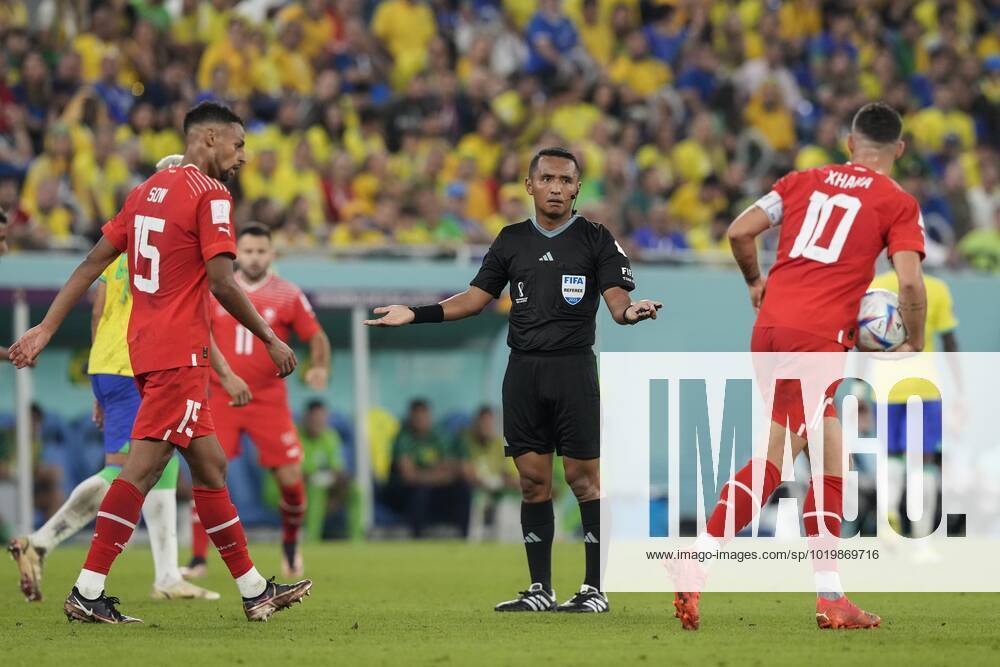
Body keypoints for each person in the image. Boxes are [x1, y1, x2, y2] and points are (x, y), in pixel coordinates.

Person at [7, 102, 310, 624]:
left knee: (210, 466)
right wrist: (269, 338)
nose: (242, 157)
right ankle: (87, 589)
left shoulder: (145, 192)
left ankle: (255, 589)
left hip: (147, 351)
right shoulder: (212, 195)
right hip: (180, 353)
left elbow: (92, 263)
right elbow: (221, 281)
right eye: (238, 145)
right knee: (141, 470)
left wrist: (46, 327)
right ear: (210, 139)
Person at [366, 147, 662, 613]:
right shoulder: (510, 240)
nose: (557, 188)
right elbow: (474, 299)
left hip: (573, 370)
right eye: (547, 179)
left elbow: (617, 299)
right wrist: (414, 313)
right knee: (530, 481)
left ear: (577, 188)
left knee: (584, 480)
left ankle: (593, 589)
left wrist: (631, 312)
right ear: (529, 185)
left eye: (566, 180)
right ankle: (540, 588)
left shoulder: (596, 238)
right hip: (522, 371)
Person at [672, 102, 927, 631]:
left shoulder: (800, 181)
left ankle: (831, 595)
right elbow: (908, 284)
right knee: (778, 456)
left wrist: (753, 283)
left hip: (770, 329)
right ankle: (695, 557)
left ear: (849, 143)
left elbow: (741, 232)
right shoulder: (897, 201)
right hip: (817, 339)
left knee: (831, 459)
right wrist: (914, 342)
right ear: (898, 150)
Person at [7, 153, 225, 604]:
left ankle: (164, 573)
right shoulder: (179, 244)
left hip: (110, 363)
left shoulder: (128, 239)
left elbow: (98, 308)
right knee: (135, 468)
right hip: (141, 362)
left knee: (151, 464)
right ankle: (47, 542)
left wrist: (94, 378)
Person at [185, 222, 330, 579]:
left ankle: (291, 545)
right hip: (222, 396)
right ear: (236, 253)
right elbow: (199, 333)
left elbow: (317, 337)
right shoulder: (217, 288)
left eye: (260, 251)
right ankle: (198, 559)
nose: (253, 258)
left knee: (292, 480)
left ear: (272, 254)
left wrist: (319, 368)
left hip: (269, 400)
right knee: (206, 473)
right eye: (247, 251)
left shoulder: (287, 294)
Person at [868, 270, 960, 542]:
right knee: (925, 460)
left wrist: (861, 387)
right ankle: (922, 537)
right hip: (925, 385)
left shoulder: (878, 286)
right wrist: (960, 390)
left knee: (892, 456)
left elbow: (865, 337)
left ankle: (889, 517)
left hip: (885, 385)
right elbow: (950, 341)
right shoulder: (937, 288)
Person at [384, 398, 470, 538]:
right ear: (411, 418)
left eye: (424, 416)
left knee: (462, 488)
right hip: (403, 492)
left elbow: (452, 467)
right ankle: (418, 538)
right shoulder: (403, 438)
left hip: (433, 487)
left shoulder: (439, 437)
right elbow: (409, 476)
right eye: (417, 417)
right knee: (420, 492)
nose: (421, 420)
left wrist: (432, 474)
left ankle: (464, 536)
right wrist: (438, 475)